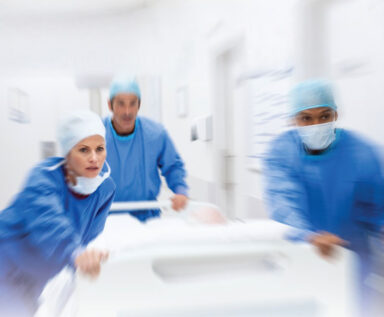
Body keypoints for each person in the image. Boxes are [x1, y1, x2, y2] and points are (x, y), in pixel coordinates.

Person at [262, 79, 384, 315]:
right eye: (306, 118)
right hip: (302, 254)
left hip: (353, 260)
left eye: (324, 116)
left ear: (336, 115)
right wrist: (308, 235)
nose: (316, 124)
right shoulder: (282, 151)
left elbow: (377, 205)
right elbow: (283, 201)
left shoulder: (363, 152)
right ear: (293, 120)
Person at [0, 110, 116, 317]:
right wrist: (75, 254)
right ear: (68, 154)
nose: (94, 158)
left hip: (38, 276)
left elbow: (86, 238)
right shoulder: (43, 177)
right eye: (83, 150)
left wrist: (86, 258)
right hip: (6, 263)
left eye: (100, 149)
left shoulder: (105, 188)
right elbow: (49, 223)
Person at [103, 76, 189, 222]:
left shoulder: (155, 134)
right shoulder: (95, 134)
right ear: (110, 105)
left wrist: (180, 190)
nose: (127, 112)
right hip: (104, 220)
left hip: (146, 220)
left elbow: (173, 166)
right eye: (121, 104)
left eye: (132, 104)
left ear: (139, 105)